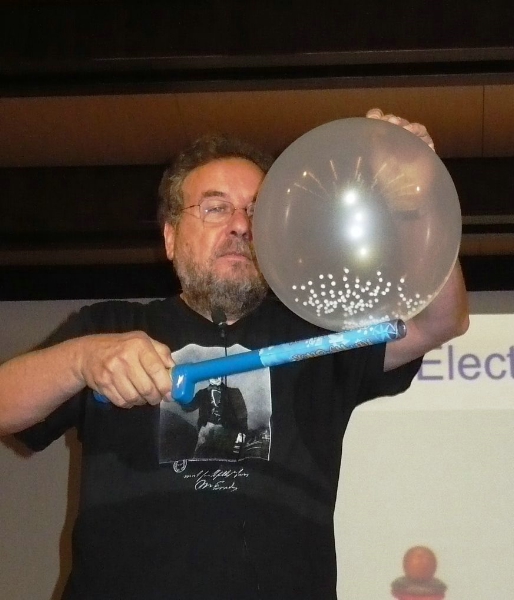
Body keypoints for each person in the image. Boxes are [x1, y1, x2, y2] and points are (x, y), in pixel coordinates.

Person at [0, 109, 469, 600]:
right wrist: (81, 360)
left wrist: (416, 197)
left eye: (255, 210)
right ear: (170, 238)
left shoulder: (317, 333)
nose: (241, 225)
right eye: (215, 208)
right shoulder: (107, 327)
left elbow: (440, 321)